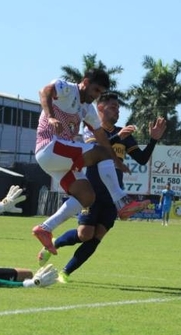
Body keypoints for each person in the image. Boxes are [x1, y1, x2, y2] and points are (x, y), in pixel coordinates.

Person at [37, 92, 166, 282]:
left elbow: (142, 158)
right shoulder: (91, 129)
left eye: (119, 108)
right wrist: (117, 137)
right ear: (100, 108)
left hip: (113, 196)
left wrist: (154, 139)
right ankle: (54, 242)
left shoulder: (125, 134)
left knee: (97, 236)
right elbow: (98, 148)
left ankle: (65, 272)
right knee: (84, 234)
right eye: (113, 107)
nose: (117, 111)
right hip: (93, 191)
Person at [32, 69, 150, 255]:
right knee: (100, 152)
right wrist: (51, 115)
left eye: (99, 93)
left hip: (55, 159)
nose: (96, 96)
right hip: (49, 146)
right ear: (85, 82)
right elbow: (44, 91)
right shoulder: (67, 88)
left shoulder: (87, 109)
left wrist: (116, 162)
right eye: (95, 90)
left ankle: (45, 228)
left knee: (87, 196)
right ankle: (121, 201)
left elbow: (100, 135)